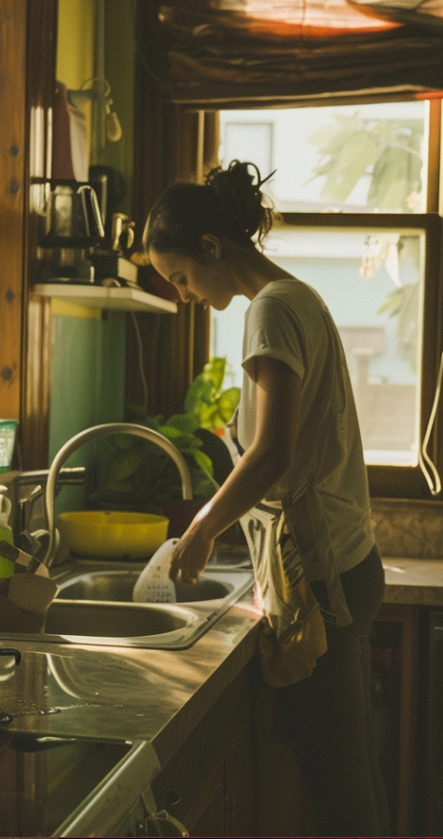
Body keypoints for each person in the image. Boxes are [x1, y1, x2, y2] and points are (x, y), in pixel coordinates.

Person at [144, 161, 390, 836]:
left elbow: (272, 453)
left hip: (323, 575)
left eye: (181, 277)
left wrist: (199, 528)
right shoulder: (296, 297)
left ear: (211, 248)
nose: (184, 294)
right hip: (344, 564)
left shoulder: (270, 310)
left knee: (339, 789)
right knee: (350, 772)